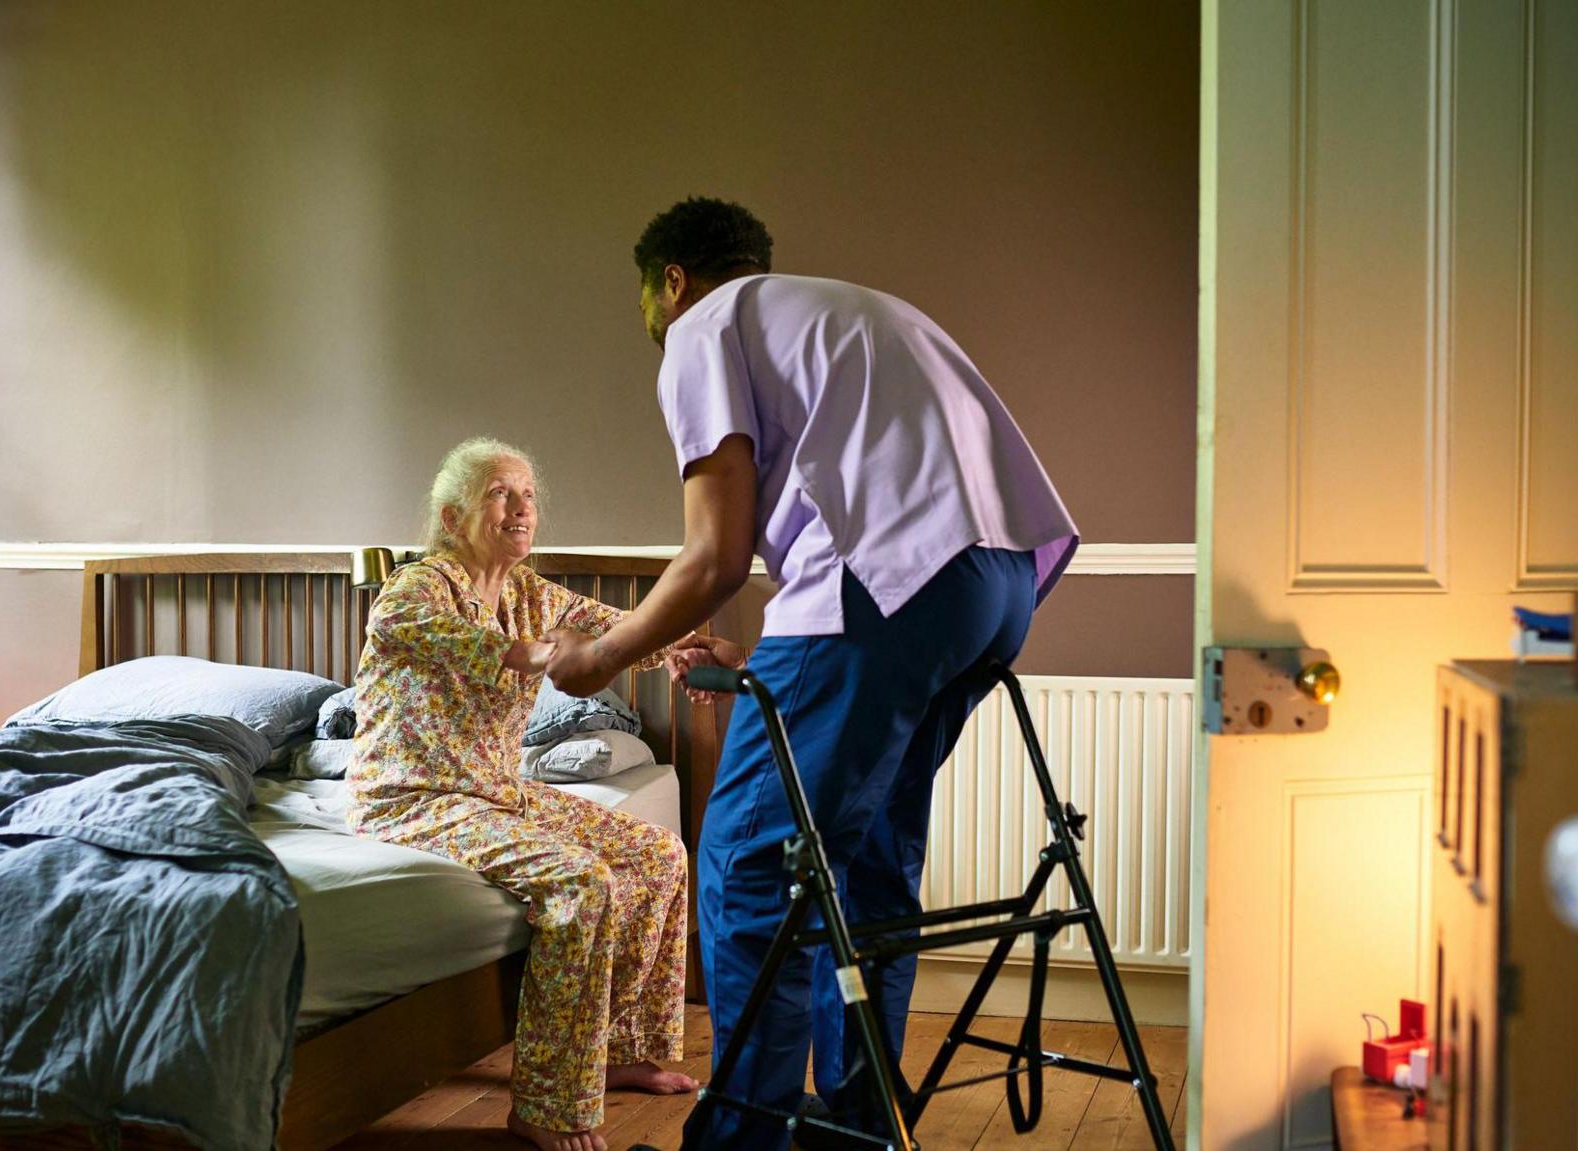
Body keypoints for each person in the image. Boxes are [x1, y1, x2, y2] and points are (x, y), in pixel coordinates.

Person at [543, 198, 1078, 1149]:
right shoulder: (853, 311)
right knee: (863, 862)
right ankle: (858, 1117)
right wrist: (774, 662)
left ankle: (746, 1139)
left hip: (882, 588)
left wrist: (597, 655)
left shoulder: (705, 324)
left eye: (646, 303)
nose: (651, 328)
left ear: (671, 281)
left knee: (754, 864)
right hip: (993, 583)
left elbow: (714, 559)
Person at [347, 437, 700, 1151]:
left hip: (498, 789)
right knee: (582, 883)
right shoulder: (415, 587)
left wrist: (689, 645)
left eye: (528, 493)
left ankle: (617, 1048)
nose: (521, 506)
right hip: (412, 795)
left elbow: (618, 629)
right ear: (452, 518)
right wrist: (538, 652)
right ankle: (545, 1101)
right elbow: (421, 632)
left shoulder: (532, 592)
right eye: (500, 493)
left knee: (658, 853)